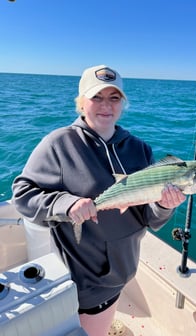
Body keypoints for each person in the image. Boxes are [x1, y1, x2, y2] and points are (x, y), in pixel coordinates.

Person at [12, 65, 186, 336]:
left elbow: (149, 218)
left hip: (124, 265)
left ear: (123, 103)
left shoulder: (139, 149)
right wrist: (66, 204)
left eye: (114, 98)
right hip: (84, 274)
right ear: (81, 102)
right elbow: (22, 194)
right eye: (97, 97)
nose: (106, 106)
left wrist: (165, 205)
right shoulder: (59, 143)